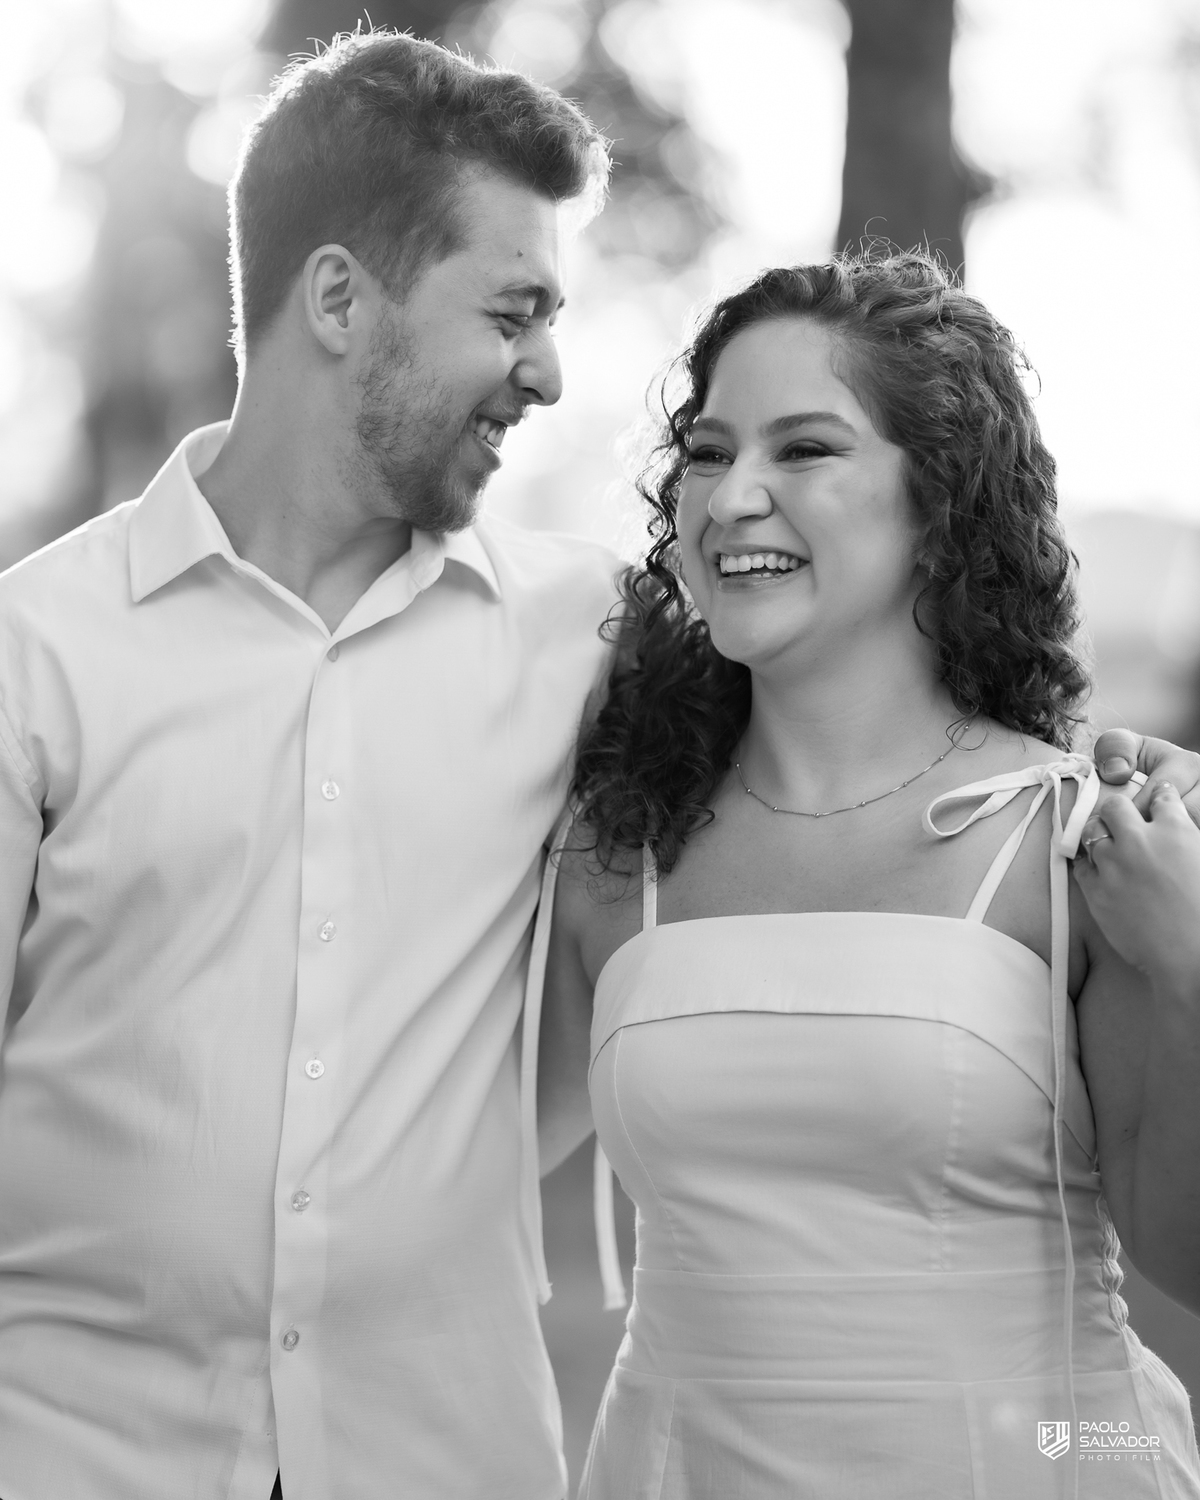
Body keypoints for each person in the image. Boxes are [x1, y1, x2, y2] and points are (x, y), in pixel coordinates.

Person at [0, 31, 619, 1500]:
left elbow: (850, 725)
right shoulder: (36, 651)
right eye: (515, 309)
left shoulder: (587, 639)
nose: (547, 369)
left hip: (446, 1458)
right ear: (340, 296)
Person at [539, 252, 1200, 1498]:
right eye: (709, 450)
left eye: (804, 450)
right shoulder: (616, 852)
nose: (733, 496)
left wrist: (1189, 962)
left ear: (939, 501)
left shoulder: (1077, 842)